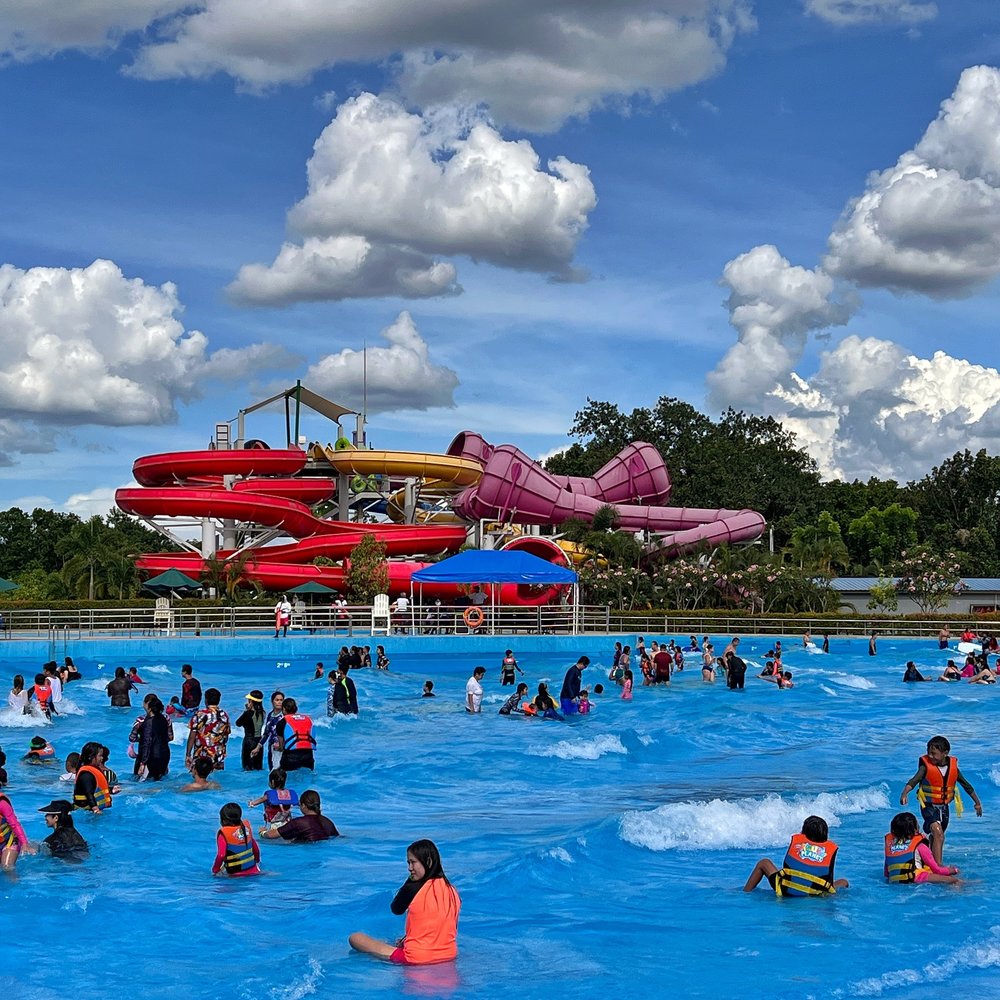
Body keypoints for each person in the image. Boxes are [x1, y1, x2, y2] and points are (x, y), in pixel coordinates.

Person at [349, 839, 461, 965]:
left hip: (416, 958)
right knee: (403, 939)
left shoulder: (414, 888)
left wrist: (410, 880)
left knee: (355, 938)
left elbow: (396, 909)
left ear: (428, 862)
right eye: (408, 863)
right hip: (449, 955)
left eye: (413, 862)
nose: (409, 868)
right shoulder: (453, 891)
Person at [899, 735, 983, 864]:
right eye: (929, 753)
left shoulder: (953, 768)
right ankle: (938, 867)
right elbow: (913, 781)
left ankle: (928, 859)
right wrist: (904, 794)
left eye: (934, 753)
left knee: (938, 836)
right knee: (938, 833)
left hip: (944, 808)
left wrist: (977, 802)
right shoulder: (925, 767)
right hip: (928, 806)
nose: (930, 756)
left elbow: (966, 785)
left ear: (945, 753)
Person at [743, 815, 849, 896]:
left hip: (786, 889)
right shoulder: (828, 851)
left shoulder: (798, 844)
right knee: (843, 882)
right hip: (815, 893)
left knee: (764, 863)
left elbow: (786, 866)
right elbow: (829, 879)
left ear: (803, 832)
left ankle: (746, 892)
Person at [884, 812, 960, 885]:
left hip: (894, 880)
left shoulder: (891, 846)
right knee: (953, 880)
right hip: (916, 877)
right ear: (915, 829)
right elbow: (937, 869)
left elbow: (886, 873)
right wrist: (953, 870)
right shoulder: (920, 845)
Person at [258, 789, 339, 842]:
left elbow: (271, 835)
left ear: (303, 805)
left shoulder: (298, 822)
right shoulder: (328, 822)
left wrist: (262, 832)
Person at [185, 688, 232, 774]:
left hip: (202, 755)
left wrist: (188, 754)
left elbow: (192, 735)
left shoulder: (199, 715)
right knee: (216, 779)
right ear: (219, 700)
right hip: (218, 755)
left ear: (206, 700)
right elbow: (226, 735)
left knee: (199, 779)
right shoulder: (224, 715)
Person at [212, 803, 261, 877]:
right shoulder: (245, 829)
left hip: (235, 875)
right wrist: (257, 861)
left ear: (224, 820)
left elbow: (221, 855)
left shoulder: (224, 834)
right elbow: (255, 848)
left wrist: (215, 870)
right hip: (254, 870)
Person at [130, 694, 172, 780]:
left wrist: (142, 763)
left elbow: (134, 739)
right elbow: (170, 737)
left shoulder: (141, 720)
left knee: (141, 781)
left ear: (148, 706)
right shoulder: (166, 718)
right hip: (164, 755)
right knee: (159, 780)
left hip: (148, 757)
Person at [277, 697, 316, 771]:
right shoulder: (309, 720)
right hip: (308, 757)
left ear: (284, 709)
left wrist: (277, 747)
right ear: (296, 709)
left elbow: (281, 747)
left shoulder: (282, 722)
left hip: (290, 757)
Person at [73, 742, 112, 812]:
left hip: (92, 810)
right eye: (100, 756)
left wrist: (111, 790)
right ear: (90, 757)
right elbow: (89, 793)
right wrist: (95, 808)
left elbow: (96, 789)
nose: (102, 758)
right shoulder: (86, 774)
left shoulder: (93, 771)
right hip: (86, 810)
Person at [252, 690, 285, 771]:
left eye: (281, 700)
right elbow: (266, 733)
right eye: (277, 700)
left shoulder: (285, 716)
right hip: (271, 747)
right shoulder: (270, 715)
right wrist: (258, 747)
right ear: (272, 701)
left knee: (280, 772)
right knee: (272, 771)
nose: (279, 702)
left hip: (282, 748)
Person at [0, 790, 33, 870]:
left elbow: (15, 824)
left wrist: (24, 843)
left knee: (7, 868)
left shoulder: (2, 803)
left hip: (9, 842)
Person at [234, 690, 266, 771]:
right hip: (259, 742)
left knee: (247, 768)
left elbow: (238, 723)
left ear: (251, 701)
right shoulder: (263, 713)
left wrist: (247, 711)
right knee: (258, 767)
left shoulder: (247, 714)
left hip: (249, 741)